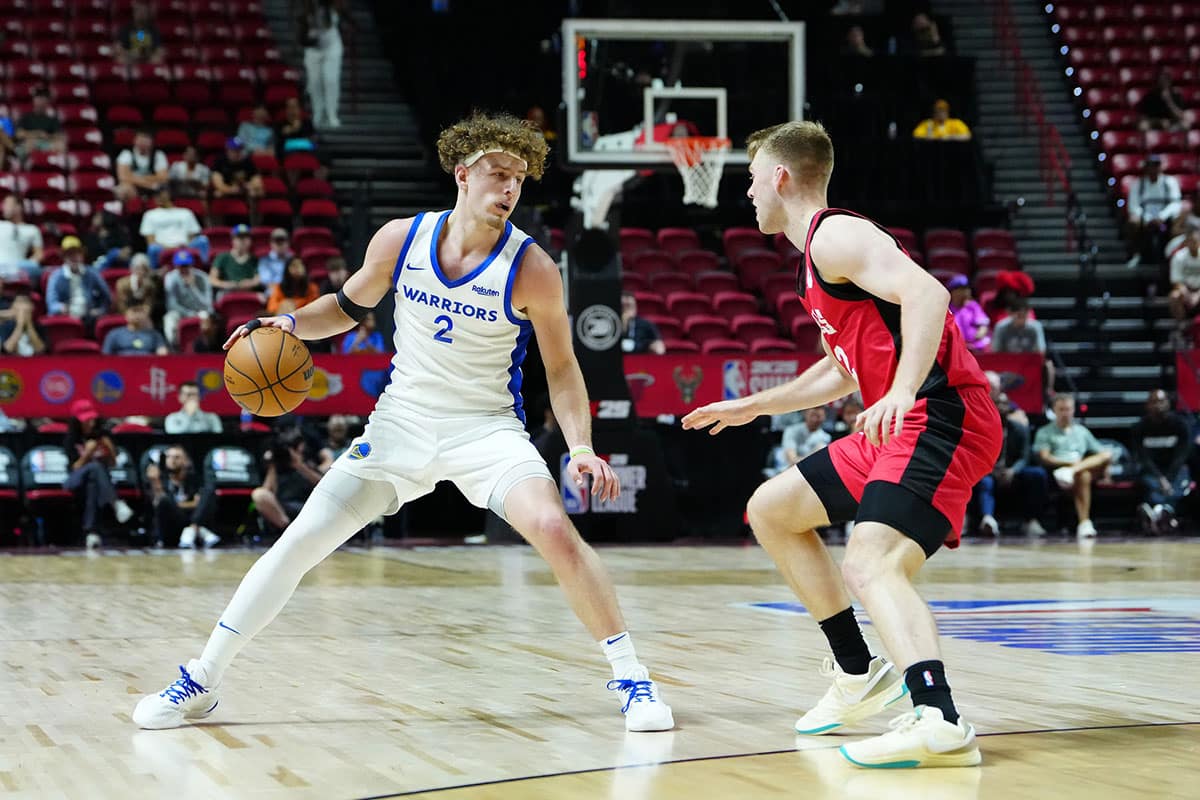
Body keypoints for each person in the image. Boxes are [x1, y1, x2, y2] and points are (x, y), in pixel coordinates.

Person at [133, 111, 673, 734]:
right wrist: (288, 325)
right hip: (400, 424)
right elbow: (345, 306)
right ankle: (202, 678)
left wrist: (580, 445)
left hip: (486, 429)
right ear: (463, 174)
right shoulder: (401, 239)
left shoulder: (533, 268)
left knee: (554, 528)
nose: (508, 190)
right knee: (300, 542)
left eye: (519, 180)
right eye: (498, 174)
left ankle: (633, 680)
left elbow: (563, 368)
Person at [682, 120, 999, 768]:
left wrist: (904, 388)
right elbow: (840, 368)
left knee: (871, 562)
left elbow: (928, 293)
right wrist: (755, 404)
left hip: (941, 415)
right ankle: (857, 674)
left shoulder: (837, 235)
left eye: (750, 180)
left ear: (779, 177)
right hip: (894, 426)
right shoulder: (813, 263)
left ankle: (938, 718)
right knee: (771, 509)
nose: (746, 195)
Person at [1033, 393, 1112, 539]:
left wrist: (1106, 473)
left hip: (1077, 470)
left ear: (1073, 410)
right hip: (1057, 472)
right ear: (1054, 411)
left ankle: (1084, 522)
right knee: (1084, 474)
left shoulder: (1081, 431)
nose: (1065, 413)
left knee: (1102, 458)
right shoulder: (1045, 431)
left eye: (1068, 409)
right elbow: (1045, 457)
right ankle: (1085, 523)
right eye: (1061, 409)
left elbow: (1102, 453)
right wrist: (1068, 464)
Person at [974, 389, 1048, 537]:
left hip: (1014, 472)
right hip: (989, 472)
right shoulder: (981, 428)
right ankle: (987, 520)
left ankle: (1031, 521)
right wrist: (993, 471)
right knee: (984, 482)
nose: (1002, 406)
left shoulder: (1020, 429)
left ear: (1009, 407)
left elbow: (1024, 456)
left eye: (1005, 403)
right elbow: (977, 455)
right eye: (998, 403)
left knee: (1037, 474)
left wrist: (1013, 470)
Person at [64, 399, 135, 549]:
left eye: (92, 419)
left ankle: (92, 533)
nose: (90, 423)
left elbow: (113, 464)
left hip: (97, 483)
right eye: (86, 420)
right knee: (95, 467)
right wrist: (88, 453)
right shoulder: (71, 439)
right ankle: (116, 503)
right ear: (77, 421)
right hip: (73, 480)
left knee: (93, 486)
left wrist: (109, 447)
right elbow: (75, 468)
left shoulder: (101, 436)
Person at [1131, 390, 1191, 534]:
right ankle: (1165, 512)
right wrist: (1161, 479)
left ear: (1168, 403)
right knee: (1149, 483)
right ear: (1147, 405)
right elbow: (1143, 458)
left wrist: (1168, 479)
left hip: (1174, 470)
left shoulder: (1180, 425)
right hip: (1152, 471)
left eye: (1162, 401)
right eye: (1154, 402)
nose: (1159, 405)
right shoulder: (1139, 428)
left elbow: (1181, 457)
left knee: (1181, 479)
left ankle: (1156, 511)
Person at [145, 445, 220, 549]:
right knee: (164, 501)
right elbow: (159, 505)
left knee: (209, 492)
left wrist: (181, 505)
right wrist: (156, 483)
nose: (172, 460)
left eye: (176, 457)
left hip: (190, 525)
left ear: (186, 461)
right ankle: (196, 530)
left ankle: (192, 529)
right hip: (171, 530)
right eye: (169, 457)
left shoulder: (194, 480)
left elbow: (202, 504)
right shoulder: (159, 480)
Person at [990, 296, 1055, 397]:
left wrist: (1026, 361)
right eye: (1019, 316)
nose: (1023, 320)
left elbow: (1040, 350)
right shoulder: (1001, 327)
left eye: (1025, 316)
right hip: (1007, 363)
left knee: (1048, 365)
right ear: (1010, 313)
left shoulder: (1035, 327)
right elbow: (996, 351)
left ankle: (1047, 392)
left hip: (1028, 363)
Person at [1126, 155, 1182, 269]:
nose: (1153, 169)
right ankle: (1136, 255)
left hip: (1165, 219)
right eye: (1150, 166)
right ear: (1146, 168)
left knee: (1180, 220)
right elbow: (1133, 206)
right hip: (1145, 219)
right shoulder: (1138, 184)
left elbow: (1176, 203)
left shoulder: (1170, 182)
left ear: (1160, 167)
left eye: (1156, 165)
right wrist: (1148, 218)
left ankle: (1173, 258)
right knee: (1133, 221)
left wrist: (1161, 217)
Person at [300, 0, 350, 128]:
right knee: (315, 82)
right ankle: (318, 112)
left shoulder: (333, 6)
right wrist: (309, 40)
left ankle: (332, 113)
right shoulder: (305, 11)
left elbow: (348, 18)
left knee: (331, 80)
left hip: (332, 47)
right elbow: (300, 37)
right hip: (313, 49)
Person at [46, 237, 112, 325]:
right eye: (70, 254)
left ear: (82, 255)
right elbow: (51, 304)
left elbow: (107, 297)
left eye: (77, 253)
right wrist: (61, 308)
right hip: (66, 318)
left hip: (89, 318)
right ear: (64, 257)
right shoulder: (56, 276)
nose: (74, 257)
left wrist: (100, 310)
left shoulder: (91, 273)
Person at [141, 188, 209, 268]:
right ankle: (154, 274)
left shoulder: (185, 212)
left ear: (169, 196)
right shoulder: (149, 215)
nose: (158, 198)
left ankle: (205, 268)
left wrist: (184, 245)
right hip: (162, 248)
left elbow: (192, 235)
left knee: (203, 240)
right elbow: (151, 241)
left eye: (160, 195)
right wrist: (169, 248)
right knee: (152, 248)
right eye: (156, 196)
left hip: (185, 245)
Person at [162, 250, 213, 347]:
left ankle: (206, 347)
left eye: (186, 265)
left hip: (199, 310)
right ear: (176, 266)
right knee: (169, 318)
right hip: (180, 311)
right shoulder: (171, 278)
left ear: (191, 265)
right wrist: (189, 314)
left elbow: (207, 305)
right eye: (181, 266)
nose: (184, 269)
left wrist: (193, 287)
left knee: (206, 316)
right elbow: (171, 305)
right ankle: (173, 348)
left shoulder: (202, 277)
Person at [115, 130, 170, 202]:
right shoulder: (126, 154)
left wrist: (133, 177)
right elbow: (123, 178)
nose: (143, 143)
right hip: (136, 187)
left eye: (146, 140)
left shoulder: (159, 155)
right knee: (123, 190)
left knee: (165, 190)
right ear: (134, 141)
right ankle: (128, 211)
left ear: (152, 142)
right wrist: (149, 184)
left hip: (154, 188)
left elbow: (163, 178)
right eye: (140, 139)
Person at [0, 195, 44, 283]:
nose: (4, 207)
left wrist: (26, 263)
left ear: (19, 207)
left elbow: (39, 254)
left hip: (19, 268)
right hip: (1, 266)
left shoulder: (32, 229)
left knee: (40, 269)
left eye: (8, 204)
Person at [211, 138, 264, 205]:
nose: (237, 153)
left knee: (257, 192)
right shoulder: (220, 162)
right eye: (234, 150)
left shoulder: (247, 162)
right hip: (227, 189)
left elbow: (257, 181)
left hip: (244, 189)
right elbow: (218, 184)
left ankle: (251, 214)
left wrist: (250, 186)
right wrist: (231, 189)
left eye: (239, 150)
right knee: (218, 193)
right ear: (227, 150)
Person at [1137, 68, 1192, 132]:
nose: (1163, 82)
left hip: (1172, 124)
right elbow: (1143, 117)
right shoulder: (1150, 96)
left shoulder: (1176, 95)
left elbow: (1180, 116)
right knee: (1142, 125)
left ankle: (1172, 137)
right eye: (1161, 80)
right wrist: (1159, 122)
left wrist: (1168, 100)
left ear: (1169, 81)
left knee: (1185, 125)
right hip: (1155, 123)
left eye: (1166, 79)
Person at [102, 303, 168, 356]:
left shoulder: (155, 335)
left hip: (147, 368)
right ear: (126, 315)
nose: (137, 315)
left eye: (140, 311)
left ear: (146, 315)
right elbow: (106, 356)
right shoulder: (114, 334)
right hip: (121, 368)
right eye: (134, 311)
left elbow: (162, 355)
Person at [15, 88, 66, 155]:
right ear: (34, 100)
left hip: (46, 144)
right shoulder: (25, 117)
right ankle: (28, 164)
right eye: (38, 98)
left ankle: (53, 163)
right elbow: (19, 134)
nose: (40, 101)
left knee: (61, 145)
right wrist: (37, 134)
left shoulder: (52, 119)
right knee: (29, 144)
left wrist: (47, 136)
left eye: (43, 98)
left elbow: (60, 135)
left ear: (48, 101)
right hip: (29, 143)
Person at [946, 275, 990, 352]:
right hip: (955, 348)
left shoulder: (973, 306)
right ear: (953, 292)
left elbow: (983, 326)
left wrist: (977, 336)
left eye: (967, 288)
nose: (966, 292)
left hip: (976, 347)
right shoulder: (947, 309)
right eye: (961, 289)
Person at [1167, 227, 1200, 326]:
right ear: (1186, 242)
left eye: (1196, 241)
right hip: (1185, 290)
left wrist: (1198, 295)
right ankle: (1181, 327)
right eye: (1191, 241)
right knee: (1174, 296)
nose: (1193, 244)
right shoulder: (1179, 256)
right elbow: (1176, 281)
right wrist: (1188, 294)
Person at [114, 0, 163, 65]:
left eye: (143, 12)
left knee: (157, 59)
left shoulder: (153, 30)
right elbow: (118, 47)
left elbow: (159, 48)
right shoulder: (126, 29)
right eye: (139, 11)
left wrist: (150, 54)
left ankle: (150, 73)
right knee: (120, 59)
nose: (141, 14)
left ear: (147, 14)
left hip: (148, 58)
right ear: (134, 13)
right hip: (130, 57)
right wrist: (131, 53)